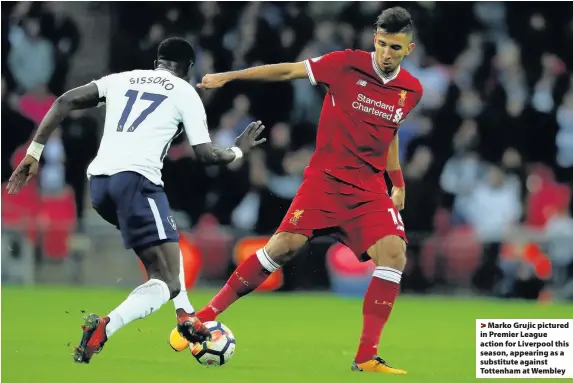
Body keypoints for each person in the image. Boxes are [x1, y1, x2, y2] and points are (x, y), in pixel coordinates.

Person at [173, 7, 423, 374]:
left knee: (395, 253)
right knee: (281, 249)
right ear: (375, 40)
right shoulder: (345, 64)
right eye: (382, 44)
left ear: (409, 49)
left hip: (368, 189)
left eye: (395, 48)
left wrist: (397, 181)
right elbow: (289, 69)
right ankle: (202, 318)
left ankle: (366, 356)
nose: (387, 54)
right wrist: (230, 76)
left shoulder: (411, 90)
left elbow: (390, 132)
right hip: (325, 181)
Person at [6, 37, 266, 364]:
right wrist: (239, 148)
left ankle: (185, 314)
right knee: (165, 279)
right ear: (187, 67)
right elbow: (206, 155)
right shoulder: (185, 91)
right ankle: (110, 325)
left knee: (165, 252)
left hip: (99, 185)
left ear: (158, 61)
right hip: (138, 182)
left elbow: (63, 101)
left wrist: (34, 152)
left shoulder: (121, 79)